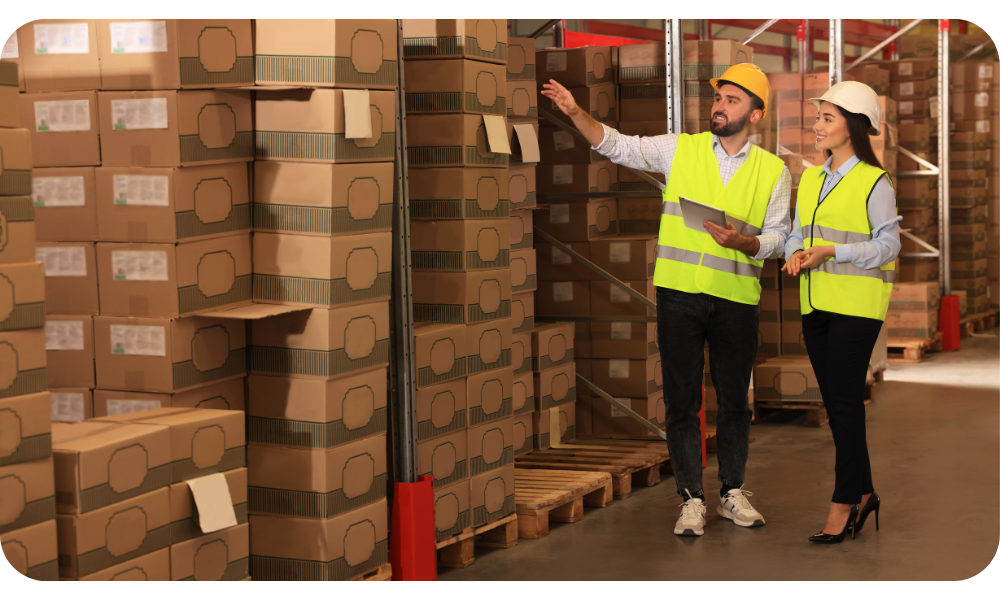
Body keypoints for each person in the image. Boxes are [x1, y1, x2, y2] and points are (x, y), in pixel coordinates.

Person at [543, 64, 791, 538]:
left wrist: (746, 244)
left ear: (756, 115)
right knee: (682, 401)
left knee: (735, 402)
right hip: (679, 296)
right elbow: (618, 144)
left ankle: (732, 492)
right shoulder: (683, 148)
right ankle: (691, 498)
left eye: (733, 100)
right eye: (718, 98)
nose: (720, 106)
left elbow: (780, 234)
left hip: (736, 299)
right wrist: (577, 113)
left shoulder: (773, 171)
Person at [781, 81, 901, 544]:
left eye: (827, 118)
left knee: (846, 405)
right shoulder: (810, 177)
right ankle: (866, 493)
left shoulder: (876, 181)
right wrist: (795, 252)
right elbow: (797, 231)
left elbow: (889, 246)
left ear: (852, 126)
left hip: (856, 307)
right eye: (818, 116)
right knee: (837, 405)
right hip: (815, 303)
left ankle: (844, 502)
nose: (817, 124)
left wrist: (834, 251)